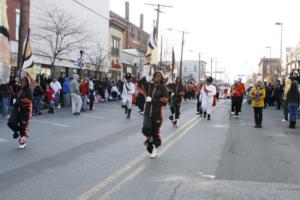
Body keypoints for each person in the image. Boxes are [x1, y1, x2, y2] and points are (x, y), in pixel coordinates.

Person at [139, 70, 169, 158]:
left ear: (161, 78)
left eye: (159, 76)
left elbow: (164, 101)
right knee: (146, 129)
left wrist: (152, 100)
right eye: (156, 75)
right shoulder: (150, 85)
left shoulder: (163, 88)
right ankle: (149, 140)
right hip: (147, 112)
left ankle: (155, 150)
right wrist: (146, 73)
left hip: (157, 114)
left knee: (155, 132)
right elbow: (140, 83)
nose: (157, 77)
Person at [7, 77, 33, 149]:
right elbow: (15, 95)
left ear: (27, 83)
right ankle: (18, 131)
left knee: (23, 126)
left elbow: (30, 100)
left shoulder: (28, 91)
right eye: (22, 81)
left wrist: (19, 101)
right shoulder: (19, 90)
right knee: (11, 123)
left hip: (25, 111)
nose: (22, 83)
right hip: (17, 110)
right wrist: (14, 99)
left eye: (24, 82)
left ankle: (23, 141)